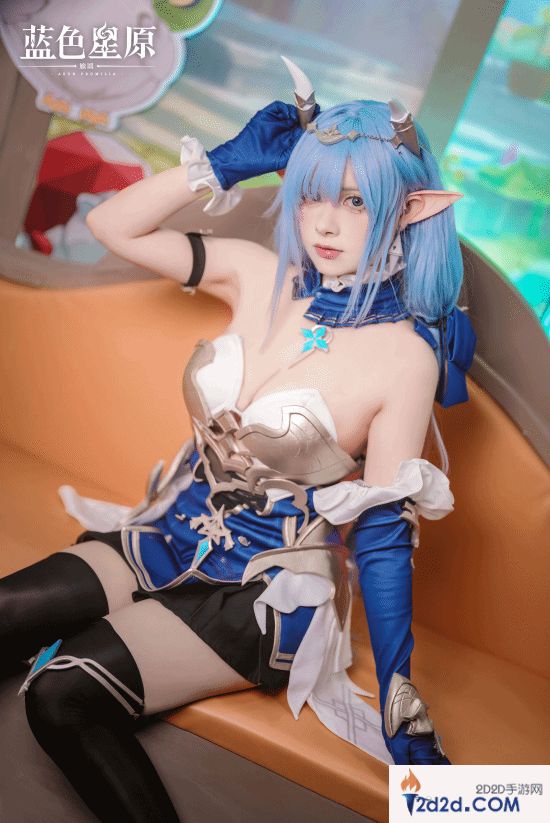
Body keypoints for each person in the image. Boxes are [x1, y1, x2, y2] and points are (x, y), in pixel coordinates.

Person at [0, 62, 475, 823]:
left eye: (356, 201)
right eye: (313, 192)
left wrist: (398, 690)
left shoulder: (405, 357)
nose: (325, 223)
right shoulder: (258, 275)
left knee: (62, 694)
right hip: (162, 534)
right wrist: (224, 162)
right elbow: (112, 226)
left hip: (261, 589)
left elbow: (383, 534)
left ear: (410, 210)